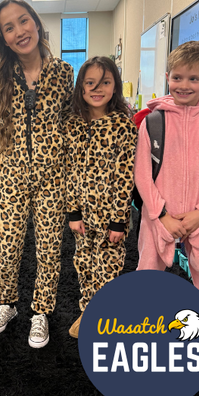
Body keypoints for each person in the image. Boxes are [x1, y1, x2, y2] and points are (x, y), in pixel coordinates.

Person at [0, 0, 74, 348]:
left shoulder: (63, 72)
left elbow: (70, 121)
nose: (19, 31)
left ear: (36, 22)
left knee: (49, 249)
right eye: (9, 27)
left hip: (53, 178)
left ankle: (41, 312)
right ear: (2, 37)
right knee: (6, 247)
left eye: (23, 21)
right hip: (12, 176)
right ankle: (7, 304)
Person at [135, 41, 199, 351]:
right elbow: (142, 174)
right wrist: (161, 215)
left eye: (194, 79)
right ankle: (146, 330)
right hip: (159, 216)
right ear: (167, 76)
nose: (184, 85)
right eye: (178, 77)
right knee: (147, 276)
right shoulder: (153, 122)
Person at [65, 57, 137, 338]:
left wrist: (119, 221)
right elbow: (69, 171)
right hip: (82, 215)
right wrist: (73, 213)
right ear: (81, 88)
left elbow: (124, 176)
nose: (97, 88)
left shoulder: (123, 125)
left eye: (105, 82)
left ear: (115, 86)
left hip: (110, 217)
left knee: (108, 268)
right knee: (84, 264)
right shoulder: (73, 125)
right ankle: (88, 310)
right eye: (90, 83)